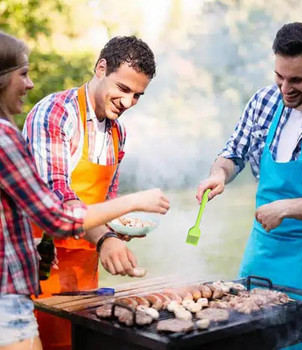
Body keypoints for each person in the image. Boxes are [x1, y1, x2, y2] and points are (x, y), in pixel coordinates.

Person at [0, 31, 170, 349]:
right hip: (44, 267)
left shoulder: (117, 133)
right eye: (123, 88)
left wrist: (118, 232)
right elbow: (57, 197)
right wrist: (106, 236)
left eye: (137, 95)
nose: (128, 102)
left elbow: (105, 199)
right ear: (101, 68)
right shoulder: (55, 114)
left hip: (85, 270)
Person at [196, 22, 302, 350]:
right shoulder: (264, 101)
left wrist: (288, 207)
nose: (285, 88)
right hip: (260, 253)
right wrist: (219, 174)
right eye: (279, 76)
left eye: (296, 80)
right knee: (247, 338)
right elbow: (232, 153)